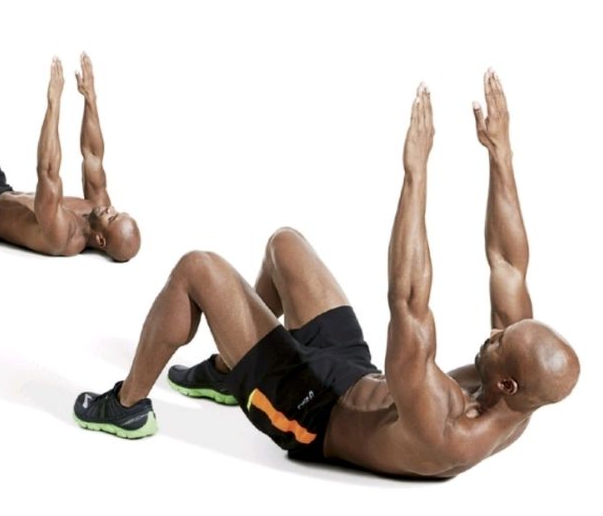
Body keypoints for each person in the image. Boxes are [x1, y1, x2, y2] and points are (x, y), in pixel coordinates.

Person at [73, 70, 579, 478]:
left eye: (499, 341)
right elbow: (508, 265)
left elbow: (408, 303)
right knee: (285, 246)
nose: (493, 333)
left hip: (309, 412)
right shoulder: (519, 390)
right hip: (356, 373)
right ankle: (230, 373)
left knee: (196, 268)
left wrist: (416, 174)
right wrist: (500, 155)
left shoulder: (446, 430)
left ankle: (127, 406)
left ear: (507, 383)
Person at [0, 53, 140, 260]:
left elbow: (47, 171)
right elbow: (93, 156)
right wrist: (90, 98)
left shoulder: (64, 237)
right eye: (118, 212)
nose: (110, 209)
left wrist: (54, 103)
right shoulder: (97, 206)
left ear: (101, 240)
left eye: (112, 218)